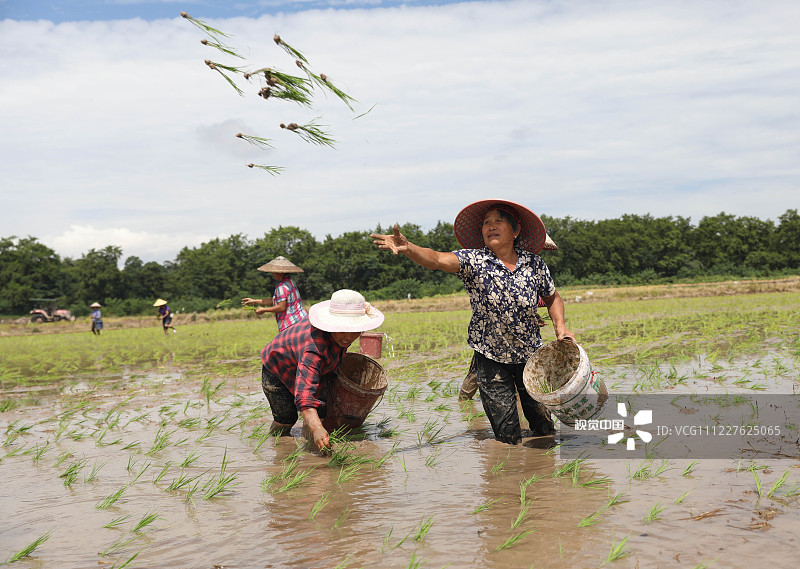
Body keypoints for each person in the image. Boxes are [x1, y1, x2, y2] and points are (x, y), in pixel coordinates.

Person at [371, 199, 575, 445]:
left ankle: (543, 479)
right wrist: (408, 247)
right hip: (490, 359)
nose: (490, 226)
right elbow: (436, 259)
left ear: (516, 230)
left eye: (498, 221)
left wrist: (560, 327)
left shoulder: (534, 264)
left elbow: (552, 296)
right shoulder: (474, 261)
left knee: (544, 428)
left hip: (530, 356)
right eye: (486, 223)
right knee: (507, 436)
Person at [259, 289, 384, 451]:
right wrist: (317, 428)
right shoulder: (314, 348)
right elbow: (304, 396)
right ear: (331, 324)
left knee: (322, 409)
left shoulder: (339, 336)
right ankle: (276, 446)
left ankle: (312, 448)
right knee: (286, 418)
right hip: (277, 367)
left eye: (354, 330)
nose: (348, 336)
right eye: (342, 330)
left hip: (307, 363)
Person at [458, 234, 558, 400]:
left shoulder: (531, 268)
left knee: (520, 375)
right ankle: (464, 400)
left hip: (518, 342)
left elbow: (525, 302)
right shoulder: (496, 265)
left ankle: (518, 406)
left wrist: (534, 315)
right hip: (491, 340)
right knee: (477, 371)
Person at [242, 256, 308, 332]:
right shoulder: (290, 282)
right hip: (301, 319)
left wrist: (264, 310)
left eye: (274, 272)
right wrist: (254, 301)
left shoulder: (281, 287)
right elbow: (277, 300)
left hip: (291, 324)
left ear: (279, 272)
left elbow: (281, 307)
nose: (273, 274)